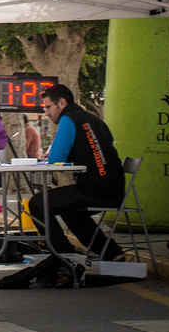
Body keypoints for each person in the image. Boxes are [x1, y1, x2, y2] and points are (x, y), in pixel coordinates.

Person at [31, 84, 126, 261]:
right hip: (114, 189)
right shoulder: (91, 118)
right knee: (70, 210)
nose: (46, 113)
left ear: (61, 103)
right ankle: (112, 253)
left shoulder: (68, 119)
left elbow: (55, 159)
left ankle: (63, 257)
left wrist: (55, 156)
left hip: (94, 190)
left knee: (37, 203)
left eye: (48, 107)